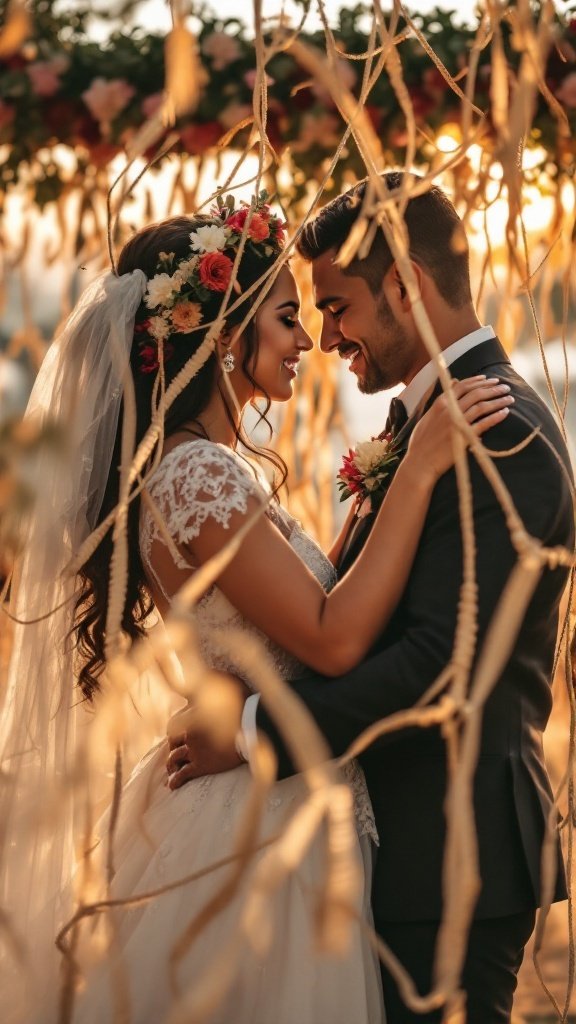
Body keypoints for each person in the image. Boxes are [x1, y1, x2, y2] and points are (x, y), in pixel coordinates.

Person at [0, 193, 510, 1024]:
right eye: (284, 316)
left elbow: (299, 619)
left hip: (263, 798)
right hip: (262, 824)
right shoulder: (200, 475)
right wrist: (416, 468)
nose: (309, 337)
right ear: (219, 332)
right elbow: (332, 639)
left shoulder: (186, 468)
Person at [167, 174, 575, 1024]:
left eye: (337, 306)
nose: (325, 335)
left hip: (448, 856)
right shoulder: (425, 425)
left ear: (406, 286)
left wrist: (248, 735)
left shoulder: (502, 432)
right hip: (389, 850)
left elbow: (441, 664)